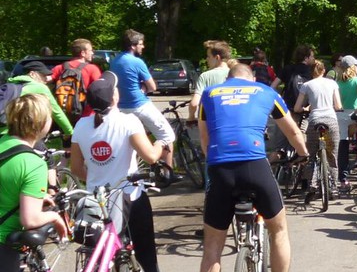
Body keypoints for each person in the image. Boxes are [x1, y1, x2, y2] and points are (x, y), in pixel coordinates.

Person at [198, 63, 308, 272]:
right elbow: (293, 132)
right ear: (252, 79)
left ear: (228, 79)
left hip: (221, 169)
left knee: (212, 249)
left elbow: (205, 140)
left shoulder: (209, 95)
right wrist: (303, 153)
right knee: (279, 229)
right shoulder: (264, 92)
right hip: (254, 166)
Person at [70, 71, 179, 272]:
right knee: (148, 262)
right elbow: (152, 157)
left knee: (98, 260)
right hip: (129, 198)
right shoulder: (128, 122)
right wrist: (163, 141)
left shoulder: (81, 127)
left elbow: (76, 169)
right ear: (115, 98)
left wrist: (99, 175)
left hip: (96, 202)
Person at [0, 94, 66, 272]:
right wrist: (55, 217)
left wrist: (29, 197)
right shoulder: (34, 163)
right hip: (3, 245)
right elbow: (30, 219)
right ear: (40, 123)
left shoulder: (2, 142)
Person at [110, 29, 178, 182]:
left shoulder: (114, 61)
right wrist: (144, 87)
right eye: (141, 44)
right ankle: (167, 173)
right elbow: (153, 87)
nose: (143, 47)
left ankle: (138, 170)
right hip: (139, 104)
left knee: (132, 139)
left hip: (121, 108)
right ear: (133, 46)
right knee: (167, 135)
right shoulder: (137, 62)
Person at [294, 60, 343, 200]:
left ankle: (312, 185)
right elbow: (338, 105)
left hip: (314, 121)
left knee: (311, 155)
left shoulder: (306, 85)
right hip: (330, 121)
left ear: (311, 72)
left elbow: (297, 108)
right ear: (324, 71)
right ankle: (333, 188)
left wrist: (305, 109)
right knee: (332, 156)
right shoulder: (332, 83)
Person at [49, 38, 102, 120]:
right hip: (86, 116)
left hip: (63, 116)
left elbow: (44, 81)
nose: (92, 53)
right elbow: (100, 92)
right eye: (90, 50)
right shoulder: (92, 69)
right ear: (83, 53)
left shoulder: (60, 68)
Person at [336, 55, 357, 191]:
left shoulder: (337, 82)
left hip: (341, 115)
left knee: (343, 145)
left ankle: (343, 178)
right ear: (353, 67)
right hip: (356, 114)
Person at [188, 40, 233, 122]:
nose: (206, 59)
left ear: (217, 58)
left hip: (212, 122)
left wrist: (191, 117)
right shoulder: (236, 73)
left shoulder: (205, 76)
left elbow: (194, 103)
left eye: (208, 56)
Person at [271, 44, 315, 124]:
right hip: (306, 110)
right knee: (303, 135)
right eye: (312, 56)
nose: (313, 59)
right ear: (306, 58)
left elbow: (273, 86)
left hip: (288, 109)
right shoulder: (312, 72)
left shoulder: (287, 68)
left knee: (287, 135)